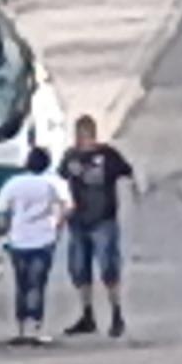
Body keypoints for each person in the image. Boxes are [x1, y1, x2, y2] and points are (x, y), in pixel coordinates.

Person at [58, 115, 136, 338]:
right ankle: (88, 315)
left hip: (104, 220)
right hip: (79, 221)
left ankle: (116, 314)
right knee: (80, 270)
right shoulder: (70, 157)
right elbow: (60, 180)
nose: (83, 139)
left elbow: (127, 173)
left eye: (85, 135)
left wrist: (134, 193)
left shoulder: (108, 155)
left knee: (108, 268)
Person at [0, 147, 71, 346]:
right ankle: (36, 329)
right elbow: (66, 205)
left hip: (18, 240)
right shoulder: (49, 184)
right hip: (43, 239)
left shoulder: (14, 183)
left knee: (21, 284)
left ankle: (20, 330)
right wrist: (58, 226)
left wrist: (6, 230)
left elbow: (1, 209)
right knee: (38, 284)